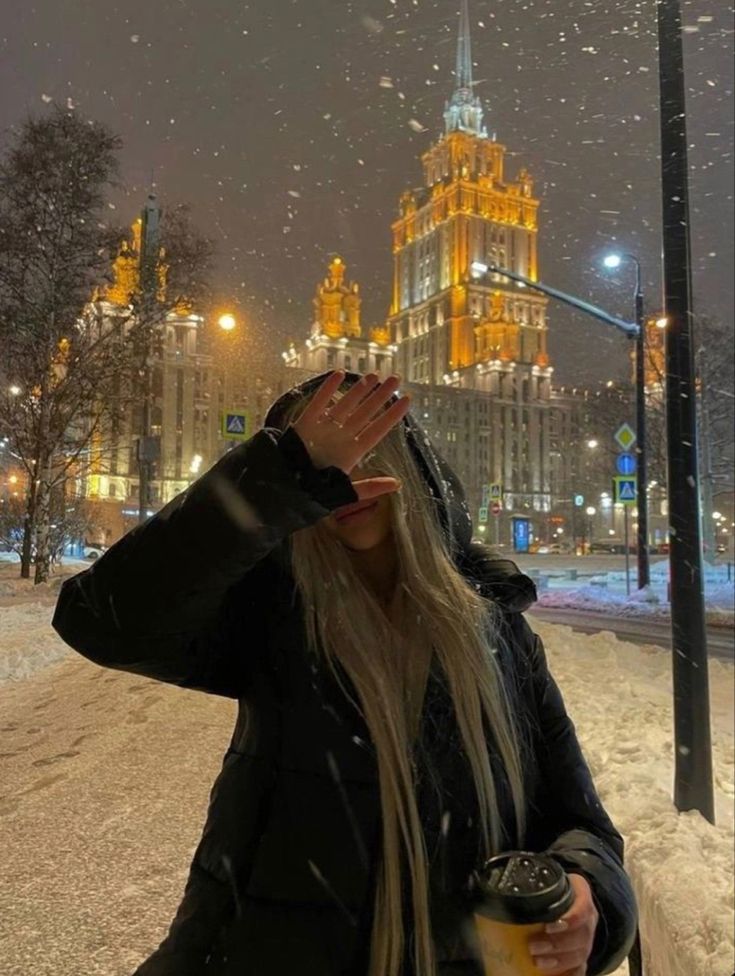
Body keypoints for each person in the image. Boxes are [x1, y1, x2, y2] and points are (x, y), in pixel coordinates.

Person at [52, 370, 638, 976]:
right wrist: (276, 479)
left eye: (367, 454)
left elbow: (579, 823)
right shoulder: (274, 619)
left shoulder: (499, 636)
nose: (347, 481)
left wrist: (586, 893)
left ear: (410, 471)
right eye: (324, 462)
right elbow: (101, 621)